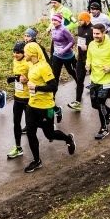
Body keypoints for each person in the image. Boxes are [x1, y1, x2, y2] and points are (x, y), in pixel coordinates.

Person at [22, 42, 75, 173]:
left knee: (49, 134)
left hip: (46, 107)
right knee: (30, 132)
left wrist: (37, 88)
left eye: (25, 52)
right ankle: (37, 161)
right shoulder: (31, 65)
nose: (24, 54)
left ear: (32, 53)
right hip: (32, 105)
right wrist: (25, 81)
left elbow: (53, 86)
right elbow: (34, 81)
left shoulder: (44, 67)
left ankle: (68, 138)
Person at [86, 24, 110, 139]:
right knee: (95, 105)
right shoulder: (91, 44)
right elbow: (89, 57)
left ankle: (104, 129)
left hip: (108, 80)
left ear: (104, 33)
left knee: (100, 103)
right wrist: (87, 64)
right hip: (95, 79)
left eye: (97, 34)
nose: (95, 36)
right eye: (94, 33)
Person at [6, 42, 30, 159]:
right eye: (14, 52)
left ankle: (49, 124)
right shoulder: (15, 61)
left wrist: (27, 80)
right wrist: (13, 79)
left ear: (24, 53)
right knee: (16, 123)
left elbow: (36, 79)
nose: (15, 55)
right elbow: (18, 76)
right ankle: (18, 147)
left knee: (33, 124)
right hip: (17, 97)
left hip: (28, 98)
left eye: (18, 53)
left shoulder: (28, 63)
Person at [67, 12, 94, 111]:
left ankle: (98, 99)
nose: (79, 22)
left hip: (91, 59)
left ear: (87, 20)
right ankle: (77, 102)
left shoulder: (93, 30)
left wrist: (88, 47)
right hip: (81, 59)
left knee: (95, 80)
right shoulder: (80, 28)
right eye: (78, 20)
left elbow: (98, 43)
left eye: (81, 20)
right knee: (79, 80)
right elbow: (80, 40)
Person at [50, 13, 78, 84]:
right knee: (55, 74)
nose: (53, 22)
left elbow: (72, 41)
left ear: (59, 21)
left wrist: (63, 50)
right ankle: (53, 93)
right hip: (56, 55)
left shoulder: (64, 29)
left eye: (55, 20)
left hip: (67, 55)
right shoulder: (52, 29)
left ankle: (78, 82)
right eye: (52, 20)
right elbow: (54, 41)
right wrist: (52, 53)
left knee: (70, 71)